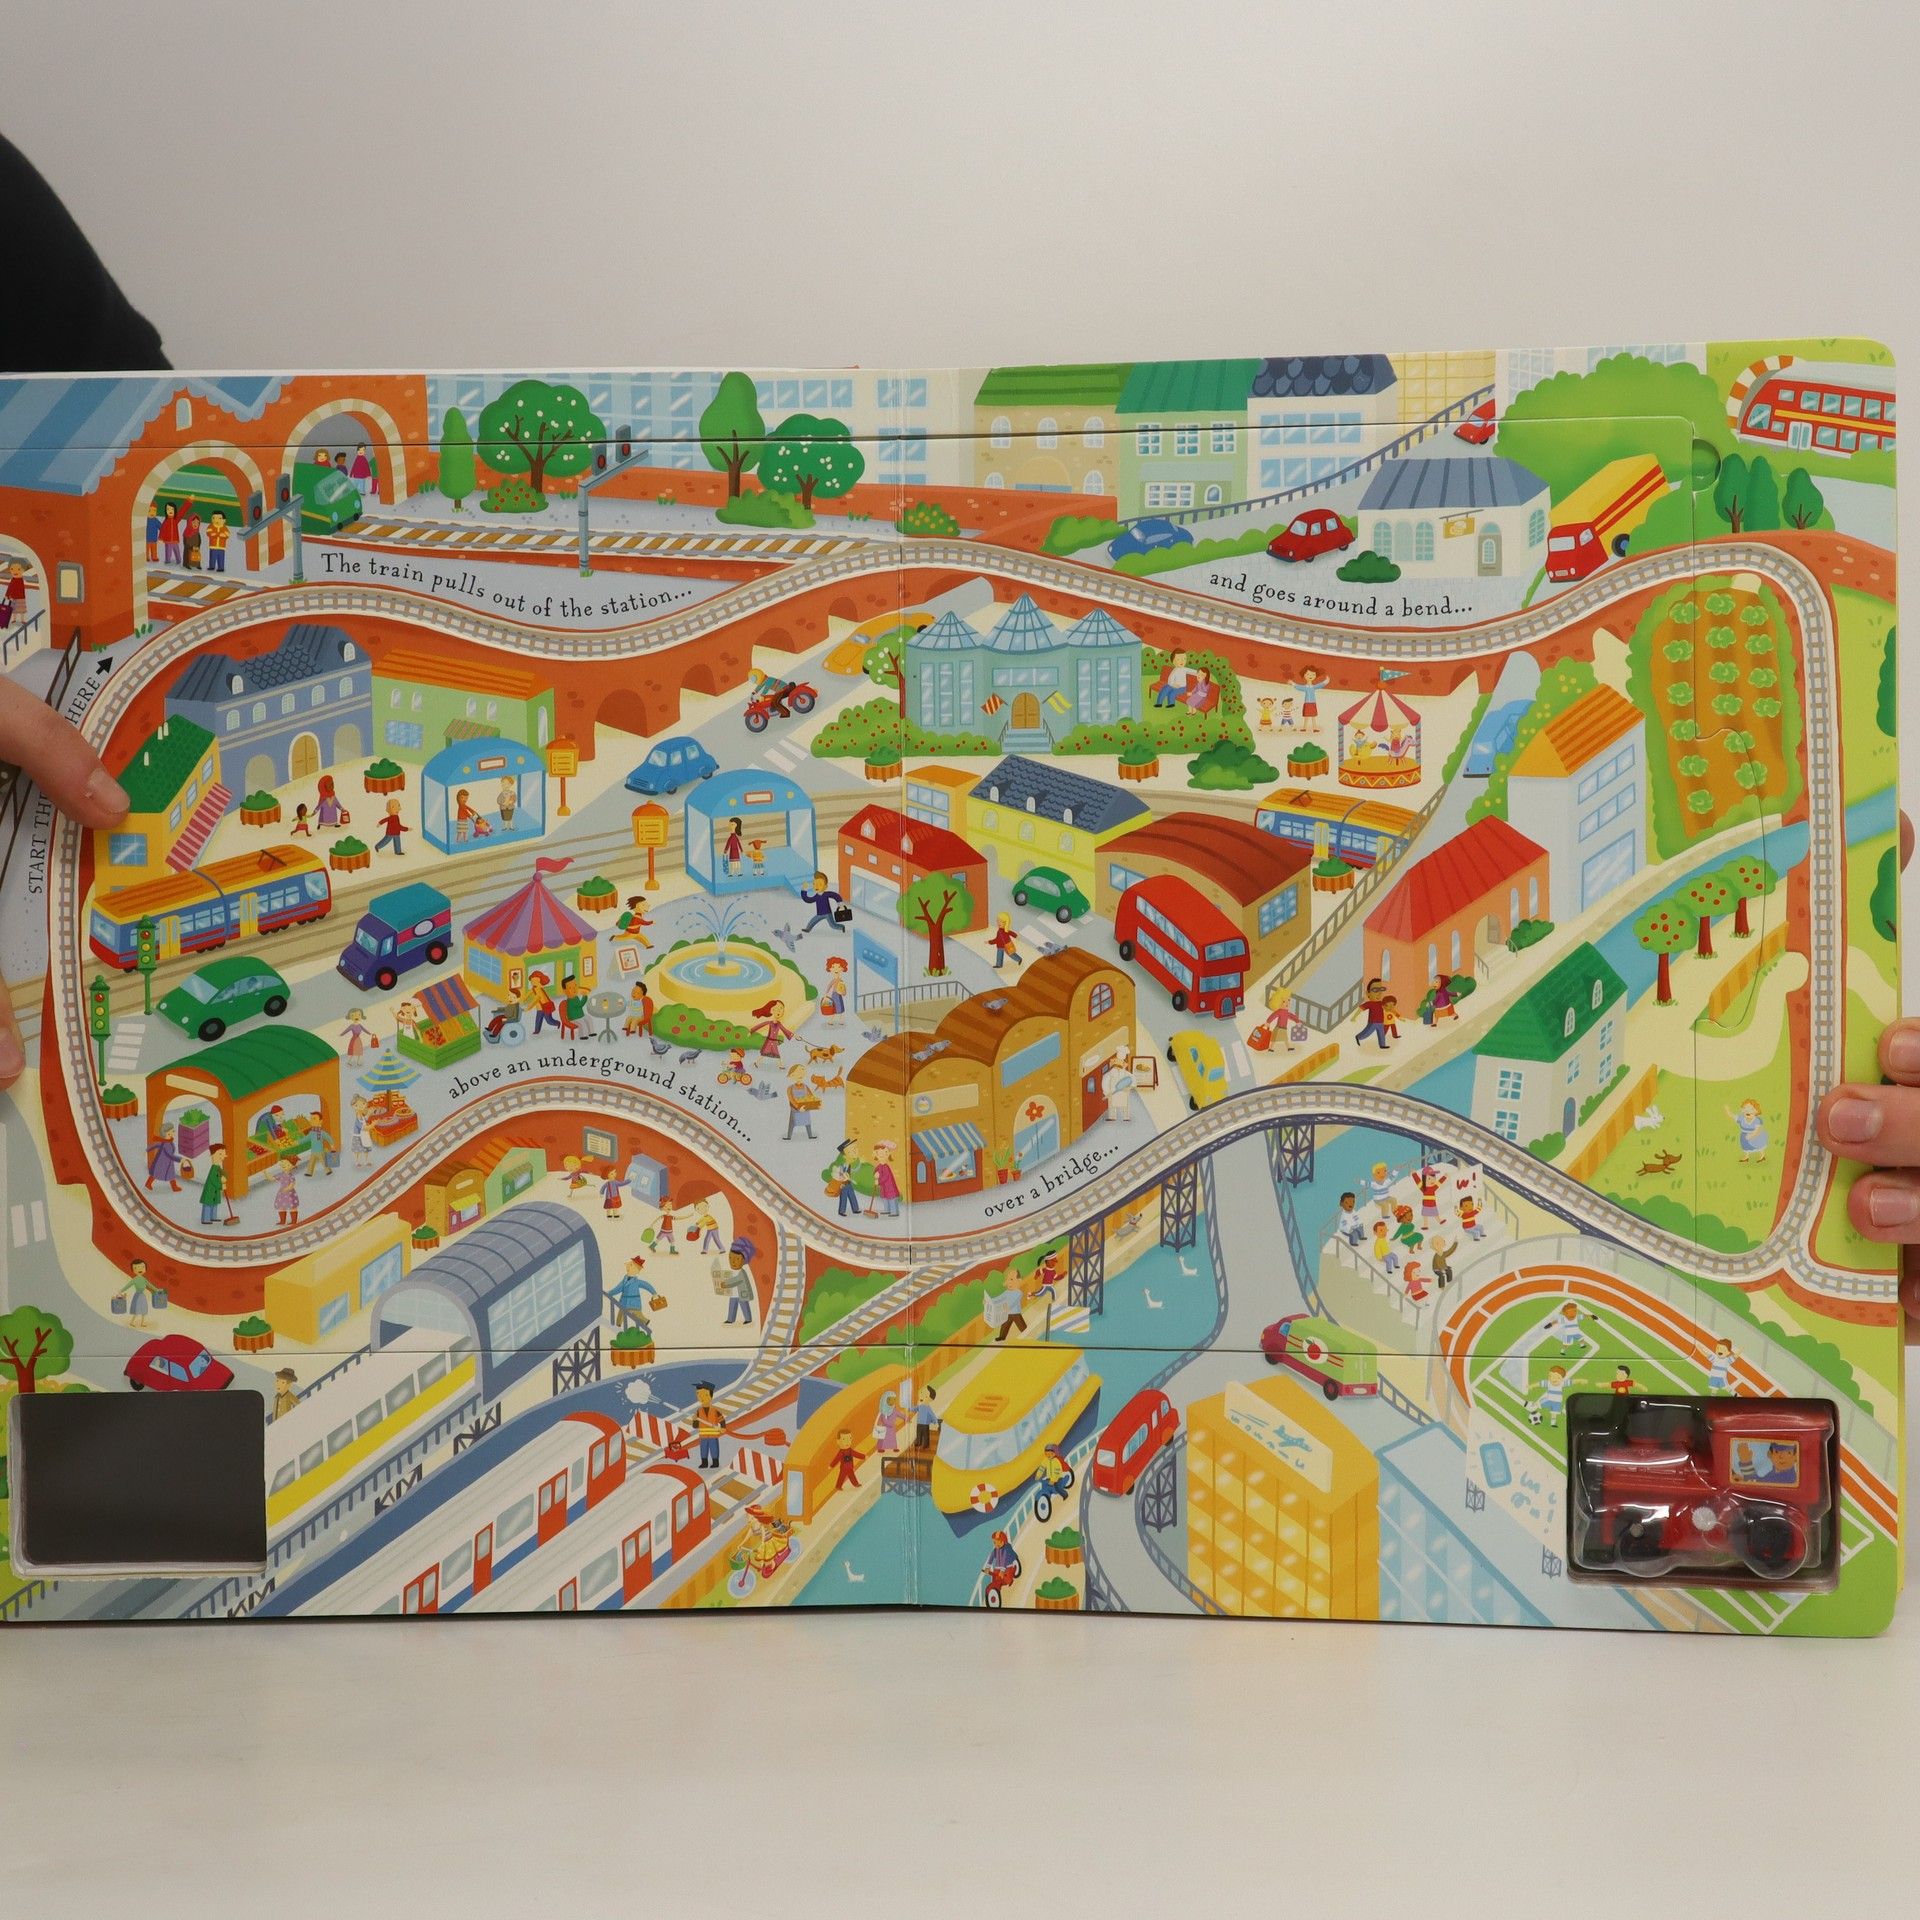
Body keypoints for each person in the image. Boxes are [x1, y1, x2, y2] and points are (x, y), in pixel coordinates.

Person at [713, 1237, 756, 1325]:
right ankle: (730, 1319)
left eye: (737, 1259)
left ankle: (748, 1318)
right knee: (732, 1305)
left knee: (744, 1306)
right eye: (730, 1258)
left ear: (744, 1260)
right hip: (733, 1293)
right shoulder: (732, 1272)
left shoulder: (741, 1273)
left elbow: (736, 1280)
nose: (733, 1262)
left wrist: (726, 1284)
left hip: (742, 1294)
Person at [824, 1138, 869, 1218]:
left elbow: (855, 1170)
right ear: (845, 1155)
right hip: (843, 1184)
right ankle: (842, 1211)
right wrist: (843, 1178)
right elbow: (840, 1174)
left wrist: (860, 1163)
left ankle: (855, 1209)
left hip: (849, 1183)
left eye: (855, 1148)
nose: (855, 1151)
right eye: (851, 1151)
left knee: (852, 1196)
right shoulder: (843, 1164)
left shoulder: (852, 1163)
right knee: (843, 1197)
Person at [797, 870, 844, 937]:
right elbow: (808, 900)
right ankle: (808, 929)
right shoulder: (816, 896)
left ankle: (841, 927)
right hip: (819, 914)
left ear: (825, 887)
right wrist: (804, 890)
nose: (817, 886)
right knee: (812, 921)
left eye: (820, 884)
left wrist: (840, 904)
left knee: (833, 925)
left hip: (827, 913)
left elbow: (836, 896)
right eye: (814, 884)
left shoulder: (826, 894)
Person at [691, 1382, 726, 1470]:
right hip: (703, 1436)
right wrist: (695, 1420)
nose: (701, 1397)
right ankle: (704, 1463)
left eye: (704, 1395)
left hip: (713, 1435)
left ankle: (715, 1462)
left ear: (710, 1396)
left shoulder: (714, 1411)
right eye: (699, 1394)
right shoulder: (698, 1411)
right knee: (703, 1450)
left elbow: (721, 1420)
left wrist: (723, 1427)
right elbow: (695, 1426)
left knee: (714, 1449)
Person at [783, 1060, 820, 1140]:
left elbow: (811, 1097)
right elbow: (791, 1099)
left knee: (807, 1121)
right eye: (798, 1073)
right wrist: (798, 1107)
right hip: (795, 1109)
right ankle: (789, 1137)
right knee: (792, 1123)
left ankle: (810, 1135)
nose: (800, 1075)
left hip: (805, 1107)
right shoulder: (790, 1088)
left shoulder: (806, 1086)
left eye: (802, 1073)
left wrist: (816, 1104)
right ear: (791, 1075)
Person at [1354, 978, 1393, 1050]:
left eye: (1381, 990)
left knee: (1381, 1034)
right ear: (1368, 993)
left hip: (1381, 1021)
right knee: (1367, 1032)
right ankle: (1358, 1037)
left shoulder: (1381, 1003)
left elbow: (1386, 1008)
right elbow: (1360, 1009)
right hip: (1373, 1022)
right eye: (1375, 990)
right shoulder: (1370, 1003)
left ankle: (1382, 1045)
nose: (1379, 993)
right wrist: (1354, 1017)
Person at [116, 1258, 155, 1330]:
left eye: (142, 1267)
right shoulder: (135, 1279)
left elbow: (150, 1285)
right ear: (133, 1270)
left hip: (142, 1295)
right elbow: (128, 1285)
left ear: (145, 1268)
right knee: (136, 1309)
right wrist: (121, 1290)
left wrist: (156, 1290)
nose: (140, 1269)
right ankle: (132, 1322)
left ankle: (142, 1322)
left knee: (143, 1308)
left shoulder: (144, 1279)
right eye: (136, 1268)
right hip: (137, 1295)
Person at [197, 1146, 232, 1227]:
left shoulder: (218, 1168)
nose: (223, 1156)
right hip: (210, 1191)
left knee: (214, 1204)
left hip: (215, 1192)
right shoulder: (213, 1169)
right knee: (208, 1204)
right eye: (220, 1154)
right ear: (213, 1156)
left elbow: (224, 1173)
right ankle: (206, 1219)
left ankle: (213, 1217)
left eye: (223, 1154)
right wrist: (221, 1186)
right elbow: (213, 1181)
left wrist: (224, 1177)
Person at [145, 1121, 184, 1191]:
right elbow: (170, 1155)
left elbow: (156, 1145)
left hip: (168, 1162)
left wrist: (148, 1149)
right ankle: (148, 1183)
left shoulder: (167, 1141)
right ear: (166, 1134)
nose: (172, 1134)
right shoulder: (166, 1144)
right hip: (162, 1162)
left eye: (173, 1131)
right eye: (170, 1133)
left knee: (171, 1174)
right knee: (156, 1173)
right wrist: (180, 1159)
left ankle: (174, 1186)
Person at [1727, 1098, 1769, 1163]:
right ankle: (1746, 1157)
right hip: (1744, 1135)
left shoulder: (1757, 1120)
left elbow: (1757, 1130)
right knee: (1745, 1146)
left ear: (1756, 1111)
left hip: (1756, 1135)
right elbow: (1733, 1116)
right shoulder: (1741, 1118)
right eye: (1745, 1108)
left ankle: (1762, 1156)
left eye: (1751, 1109)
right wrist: (1728, 1111)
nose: (1748, 1111)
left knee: (1759, 1145)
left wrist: (1751, 1135)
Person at [871, 1140, 901, 1218]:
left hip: (890, 1187)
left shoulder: (886, 1167)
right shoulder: (879, 1166)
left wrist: (878, 1181)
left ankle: (894, 1212)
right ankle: (887, 1210)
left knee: (891, 1198)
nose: (882, 1154)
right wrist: (875, 1174)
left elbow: (886, 1177)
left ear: (888, 1154)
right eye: (879, 1152)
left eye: (885, 1152)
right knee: (885, 1198)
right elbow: (875, 1171)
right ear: (876, 1154)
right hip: (884, 1187)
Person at [528, 971, 560, 1037]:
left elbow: (535, 1000)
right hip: (539, 1008)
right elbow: (529, 993)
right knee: (538, 1020)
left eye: (535, 981)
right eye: (532, 981)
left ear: (540, 982)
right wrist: (524, 999)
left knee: (549, 1021)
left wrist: (528, 1008)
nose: (532, 983)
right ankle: (537, 1031)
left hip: (545, 1007)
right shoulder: (534, 988)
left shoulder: (539, 990)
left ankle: (557, 1023)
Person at [819, 954, 849, 1022]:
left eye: (839, 967)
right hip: (834, 995)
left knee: (839, 1008)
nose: (836, 969)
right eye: (833, 967)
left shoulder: (841, 981)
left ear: (842, 968)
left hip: (838, 995)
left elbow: (844, 991)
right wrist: (826, 994)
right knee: (833, 1008)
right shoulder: (833, 980)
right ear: (830, 969)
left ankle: (840, 1020)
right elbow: (829, 986)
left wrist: (842, 993)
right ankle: (832, 1020)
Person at [273, 1160, 300, 1227]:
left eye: (286, 1165)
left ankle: (294, 1221)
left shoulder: (291, 1176)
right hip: (282, 1193)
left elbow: (292, 1185)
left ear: (291, 1166)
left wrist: (287, 1189)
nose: (284, 1166)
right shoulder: (281, 1174)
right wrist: (265, 1173)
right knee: (281, 1207)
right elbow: (272, 1179)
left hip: (290, 1194)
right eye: (283, 1165)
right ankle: (282, 1221)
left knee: (292, 1207)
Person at [913, 1384, 938, 1453]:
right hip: (919, 1424)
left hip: (925, 1425)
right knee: (919, 1434)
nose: (920, 1394)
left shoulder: (928, 1408)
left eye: (922, 1393)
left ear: (928, 1397)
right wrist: (910, 1408)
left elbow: (933, 1415)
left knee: (925, 1435)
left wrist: (935, 1422)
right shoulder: (920, 1406)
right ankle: (918, 1442)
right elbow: (915, 1408)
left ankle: (926, 1445)